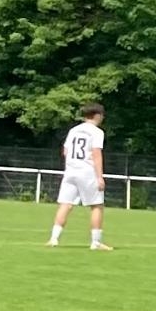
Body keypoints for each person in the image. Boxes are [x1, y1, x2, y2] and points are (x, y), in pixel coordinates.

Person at [47, 103, 111, 250]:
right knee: (96, 205)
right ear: (97, 115)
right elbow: (96, 154)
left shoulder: (74, 130)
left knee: (65, 204)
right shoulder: (97, 132)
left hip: (71, 171)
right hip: (87, 172)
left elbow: (65, 152)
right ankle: (96, 242)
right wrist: (99, 177)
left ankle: (54, 239)